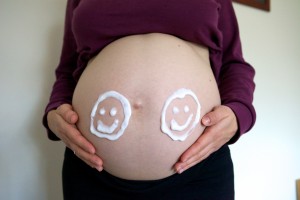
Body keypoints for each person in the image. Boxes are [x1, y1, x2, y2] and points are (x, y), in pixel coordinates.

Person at [43, 0, 256, 199]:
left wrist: (238, 114)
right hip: (91, 171)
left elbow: (233, 63)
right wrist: (55, 112)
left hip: (197, 173)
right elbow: (67, 71)